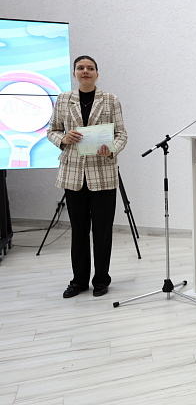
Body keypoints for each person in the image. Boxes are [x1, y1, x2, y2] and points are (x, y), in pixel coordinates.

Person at [47, 55, 128, 299]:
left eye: (90, 68)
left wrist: (111, 149)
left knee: (102, 231)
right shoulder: (64, 99)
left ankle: (101, 279)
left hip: (103, 173)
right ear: (74, 73)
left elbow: (122, 134)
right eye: (81, 68)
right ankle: (79, 281)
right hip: (73, 174)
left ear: (97, 74)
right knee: (79, 231)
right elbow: (52, 130)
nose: (85, 71)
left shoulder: (110, 99)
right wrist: (63, 138)